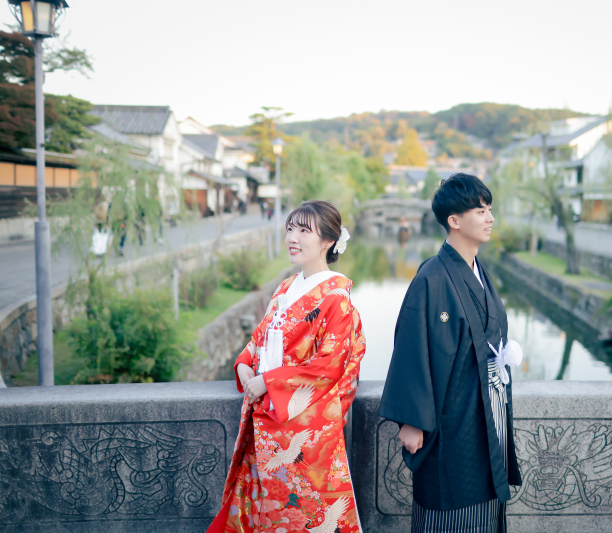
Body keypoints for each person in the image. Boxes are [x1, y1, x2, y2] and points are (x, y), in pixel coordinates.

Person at [207, 200, 365, 533]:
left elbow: (330, 365)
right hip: (264, 421)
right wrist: (245, 368)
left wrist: (269, 381)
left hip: (301, 433)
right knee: (260, 512)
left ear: (327, 241)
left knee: (302, 516)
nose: (292, 237)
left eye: (303, 230)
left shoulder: (336, 298)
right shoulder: (285, 287)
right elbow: (259, 339)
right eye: (290, 228)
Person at [379, 173, 522, 533]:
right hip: (451, 418)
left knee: (485, 497)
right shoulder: (432, 276)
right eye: (480, 210)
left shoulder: (479, 272)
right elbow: (411, 347)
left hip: (484, 410)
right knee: (449, 499)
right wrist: (411, 420)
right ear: (454, 221)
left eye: (490, 209)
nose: (490, 218)